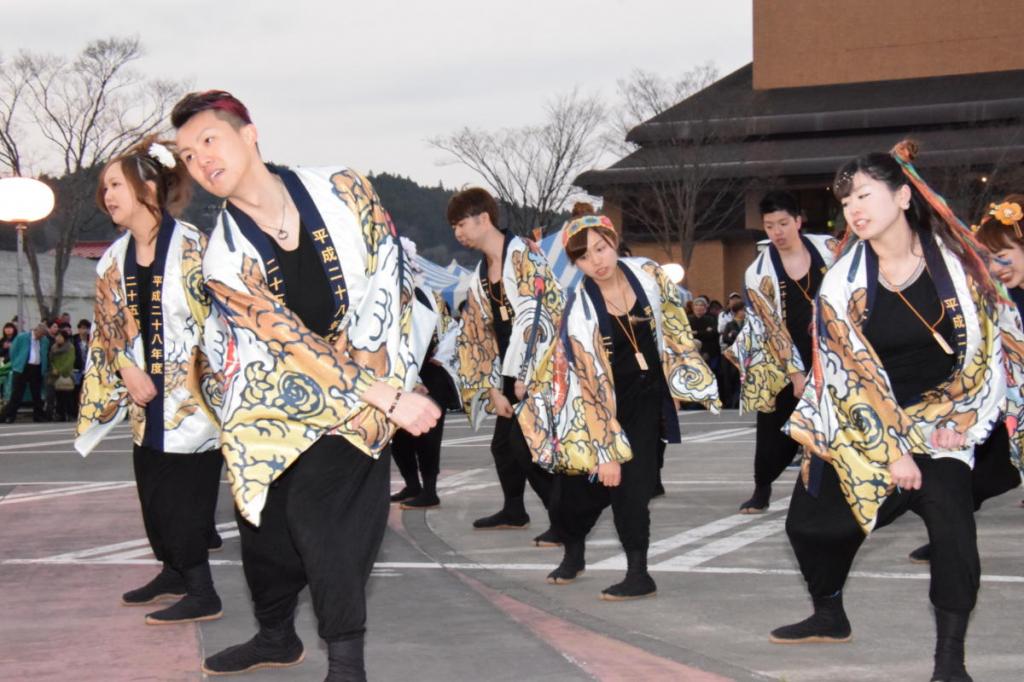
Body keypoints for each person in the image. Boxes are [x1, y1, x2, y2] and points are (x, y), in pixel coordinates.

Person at [173, 90, 439, 680]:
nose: (200, 162)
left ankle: (347, 662)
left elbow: (386, 271)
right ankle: (274, 635)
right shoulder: (223, 257)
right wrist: (378, 391)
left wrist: (386, 383)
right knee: (263, 522)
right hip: (280, 390)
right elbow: (290, 340)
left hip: (370, 377)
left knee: (322, 516)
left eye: (208, 142)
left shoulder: (343, 187)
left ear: (249, 134)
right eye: (187, 156)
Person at [775, 141, 1023, 682]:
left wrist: (963, 423)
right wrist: (893, 451)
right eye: (845, 202)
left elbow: (986, 354)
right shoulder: (842, 281)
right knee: (810, 526)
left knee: (954, 529)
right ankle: (829, 611)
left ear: (903, 195)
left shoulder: (957, 267)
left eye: (864, 194)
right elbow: (848, 376)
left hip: (940, 424)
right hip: (863, 423)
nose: (854, 209)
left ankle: (950, 663)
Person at [519, 215, 719, 599]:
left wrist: (678, 382)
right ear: (575, 264)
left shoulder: (648, 273)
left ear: (614, 242)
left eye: (600, 248)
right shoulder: (579, 310)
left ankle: (639, 573)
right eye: (583, 256)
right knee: (576, 493)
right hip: (597, 407)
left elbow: (675, 327)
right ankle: (574, 550)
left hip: (645, 399)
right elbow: (589, 385)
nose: (596, 260)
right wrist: (604, 450)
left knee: (633, 487)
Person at [75, 136, 225, 626]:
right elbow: (107, 329)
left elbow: (226, 324)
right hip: (146, 403)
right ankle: (173, 572)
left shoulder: (197, 250)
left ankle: (202, 589)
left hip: (195, 403)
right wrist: (125, 366)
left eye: (115, 184)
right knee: (153, 491)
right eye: (105, 187)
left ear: (148, 187)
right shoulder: (112, 260)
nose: (108, 195)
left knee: (184, 496)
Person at [451, 187, 563, 545]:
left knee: (524, 445)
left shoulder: (524, 257)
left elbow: (542, 318)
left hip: (536, 365)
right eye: (454, 227)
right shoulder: (481, 273)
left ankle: (564, 517)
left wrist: (519, 378)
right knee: (504, 446)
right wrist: (491, 385)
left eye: (461, 223)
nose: (458, 233)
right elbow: (476, 334)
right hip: (509, 369)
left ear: (484, 218)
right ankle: (514, 509)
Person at [724, 191, 837, 513]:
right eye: (770, 225)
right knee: (773, 427)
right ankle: (762, 487)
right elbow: (769, 326)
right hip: (783, 358)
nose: (778, 231)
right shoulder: (758, 272)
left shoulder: (829, 250)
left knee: (838, 422)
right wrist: (796, 373)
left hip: (832, 351)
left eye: (784, 223)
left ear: (799, 221)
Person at [390, 237, 460, 510]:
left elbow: (450, 329)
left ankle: (429, 489)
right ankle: (412, 484)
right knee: (398, 435)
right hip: (403, 373)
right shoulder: (392, 294)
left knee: (426, 435)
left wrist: (441, 359)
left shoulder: (425, 295)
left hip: (428, 373)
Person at [1, 324, 50, 423]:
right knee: (17, 394)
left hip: (36, 368)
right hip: (22, 367)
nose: (41, 337)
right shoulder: (22, 337)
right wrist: (15, 363)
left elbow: (45, 354)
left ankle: (38, 416)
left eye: (43, 335)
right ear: (36, 330)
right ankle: (8, 416)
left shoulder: (44, 341)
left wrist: (44, 368)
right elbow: (13, 350)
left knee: (37, 394)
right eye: (40, 334)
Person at [48, 329, 76, 421]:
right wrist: (54, 369)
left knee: (67, 396)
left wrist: (60, 370)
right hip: (54, 376)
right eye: (57, 336)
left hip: (66, 374)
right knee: (58, 396)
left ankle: (70, 414)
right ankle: (60, 414)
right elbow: (51, 360)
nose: (58, 338)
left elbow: (69, 361)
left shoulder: (70, 347)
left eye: (60, 336)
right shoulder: (53, 348)